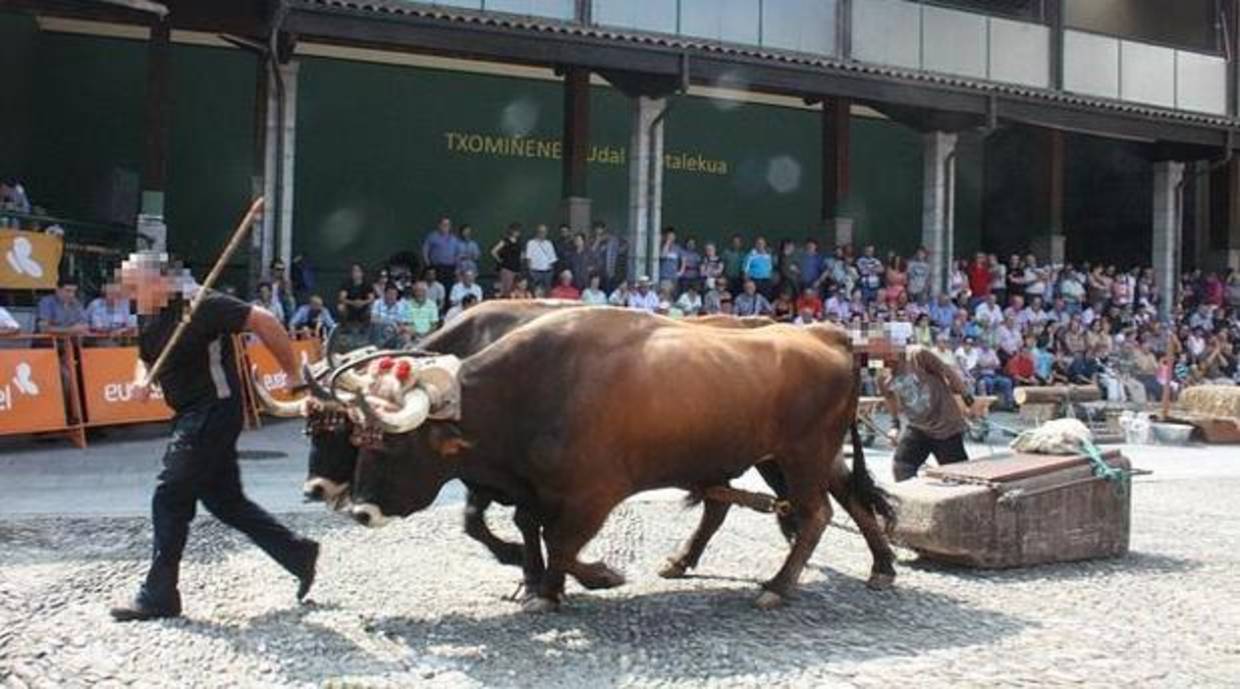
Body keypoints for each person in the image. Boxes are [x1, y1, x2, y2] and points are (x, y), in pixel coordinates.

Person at [109, 252, 317, 621]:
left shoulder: (199, 303)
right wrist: (142, 380)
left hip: (213, 410)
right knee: (225, 501)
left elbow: (264, 320)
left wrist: (293, 375)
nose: (127, 293)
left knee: (170, 496)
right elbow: (144, 357)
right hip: (190, 413)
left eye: (133, 284)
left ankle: (159, 596)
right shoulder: (149, 314)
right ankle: (297, 553)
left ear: (159, 280)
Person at [878, 344, 975, 482]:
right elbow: (889, 398)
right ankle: (911, 499)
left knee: (958, 476)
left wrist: (965, 394)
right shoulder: (882, 375)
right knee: (902, 467)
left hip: (945, 425)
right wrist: (895, 424)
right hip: (918, 427)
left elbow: (947, 371)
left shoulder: (917, 355)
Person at [370, 282, 413, 348]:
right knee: (380, 327)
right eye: (390, 294)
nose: (392, 296)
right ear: (385, 294)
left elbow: (404, 323)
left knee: (406, 332)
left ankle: (405, 351)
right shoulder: (377, 303)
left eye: (394, 294)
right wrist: (391, 323)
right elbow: (373, 319)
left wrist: (398, 328)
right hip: (380, 332)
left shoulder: (400, 305)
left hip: (395, 332)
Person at [422, 216, 459, 284]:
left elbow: (457, 253)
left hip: (450, 267)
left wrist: (457, 267)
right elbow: (425, 251)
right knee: (438, 286)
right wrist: (428, 265)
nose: (446, 226)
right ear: (439, 225)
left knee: (449, 286)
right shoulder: (432, 236)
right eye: (444, 224)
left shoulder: (454, 238)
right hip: (437, 267)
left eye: (448, 225)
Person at [490, 222, 524, 297]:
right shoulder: (505, 241)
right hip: (507, 268)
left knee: (515, 289)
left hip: (517, 269)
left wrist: (521, 261)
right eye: (516, 231)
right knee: (506, 290)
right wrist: (500, 260)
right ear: (512, 231)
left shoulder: (519, 242)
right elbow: (493, 251)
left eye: (519, 231)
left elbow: (521, 254)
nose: (518, 233)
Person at [337, 264, 373, 328]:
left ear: (362, 273)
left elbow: (371, 298)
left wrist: (362, 302)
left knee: (371, 308)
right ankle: (344, 327)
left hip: (363, 307)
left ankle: (366, 327)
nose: (355, 273)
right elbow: (341, 298)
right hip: (350, 306)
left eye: (357, 271)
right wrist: (353, 303)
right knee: (341, 307)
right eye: (354, 271)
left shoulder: (367, 284)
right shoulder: (346, 284)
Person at [523, 224, 557, 292]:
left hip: (547, 273)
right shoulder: (531, 243)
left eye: (544, 232)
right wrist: (530, 271)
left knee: (547, 292)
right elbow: (528, 258)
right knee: (534, 291)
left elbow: (552, 259)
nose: (542, 234)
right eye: (541, 232)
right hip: (535, 272)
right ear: (537, 232)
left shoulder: (549, 243)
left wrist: (550, 271)